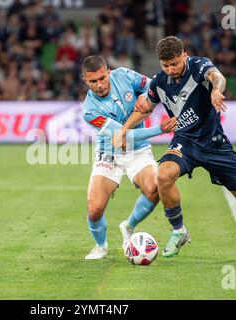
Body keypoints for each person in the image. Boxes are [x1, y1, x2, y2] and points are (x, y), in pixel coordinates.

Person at [118, 36, 236, 260]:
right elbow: (146, 108)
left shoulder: (199, 66)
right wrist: (123, 130)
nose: (170, 69)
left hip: (214, 143)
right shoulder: (159, 82)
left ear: (184, 56)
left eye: (174, 64)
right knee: (163, 175)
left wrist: (216, 90)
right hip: (185, 142)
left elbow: (217, 77)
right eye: (165, 65)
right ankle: (178, 231)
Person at [81, 55, 176, 259]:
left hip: (138, 150)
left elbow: (152, 85)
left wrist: (144, 95)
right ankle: (100, 246)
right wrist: (159, 129)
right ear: (85, 81)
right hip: (109, 152)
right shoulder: (89, 110)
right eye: (93, 81)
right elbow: (124, 134)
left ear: (108, 72)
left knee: (154, 188)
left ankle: (129, 226)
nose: (99, 85)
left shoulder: (123, 75)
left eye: (102, 78)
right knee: (95, 208)